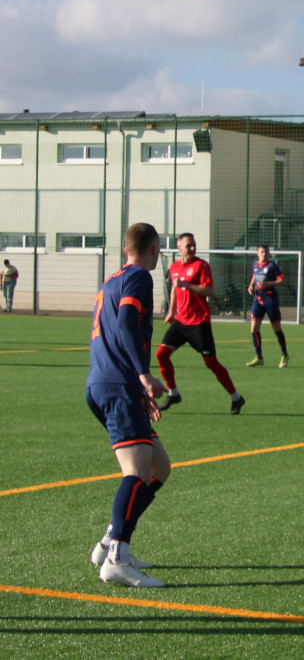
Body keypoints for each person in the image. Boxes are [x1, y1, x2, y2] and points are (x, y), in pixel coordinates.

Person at [85, 223, 170, 587]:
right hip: (119, 385)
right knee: (135, 473)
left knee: (159, 468)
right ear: (154, 250)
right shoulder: (140, 278)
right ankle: (118, 556)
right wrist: (142, 375)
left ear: (125, 249)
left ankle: (109, 541)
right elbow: (124, 324)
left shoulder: (111, 281)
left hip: (105, 383)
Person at [155, 233, 246, 415]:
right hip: (181, 321)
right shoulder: (174, 267)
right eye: (188, 245)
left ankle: (236, 397)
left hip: (199, 322)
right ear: (179, 247)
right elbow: (174, 288)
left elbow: (209, 290)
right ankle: (173, 393)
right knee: (161, 355)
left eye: (194, 245)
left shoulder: (202, 266)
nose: (192, 248)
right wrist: (171, 312)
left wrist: (187, 285)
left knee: (211, 363)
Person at [245, 245, 290, 368]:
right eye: (262, 252)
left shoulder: (272, 266)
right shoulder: (254, 265)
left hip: (270, 301)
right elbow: (255, 276)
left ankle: (284, 354)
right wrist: (251, 286)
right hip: (258, 300)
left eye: (266, 252)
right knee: (254, 329)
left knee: (276, 329)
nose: (264, 254)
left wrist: (267, 283)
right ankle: (258, 357)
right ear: (257, 253)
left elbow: (283, 281)